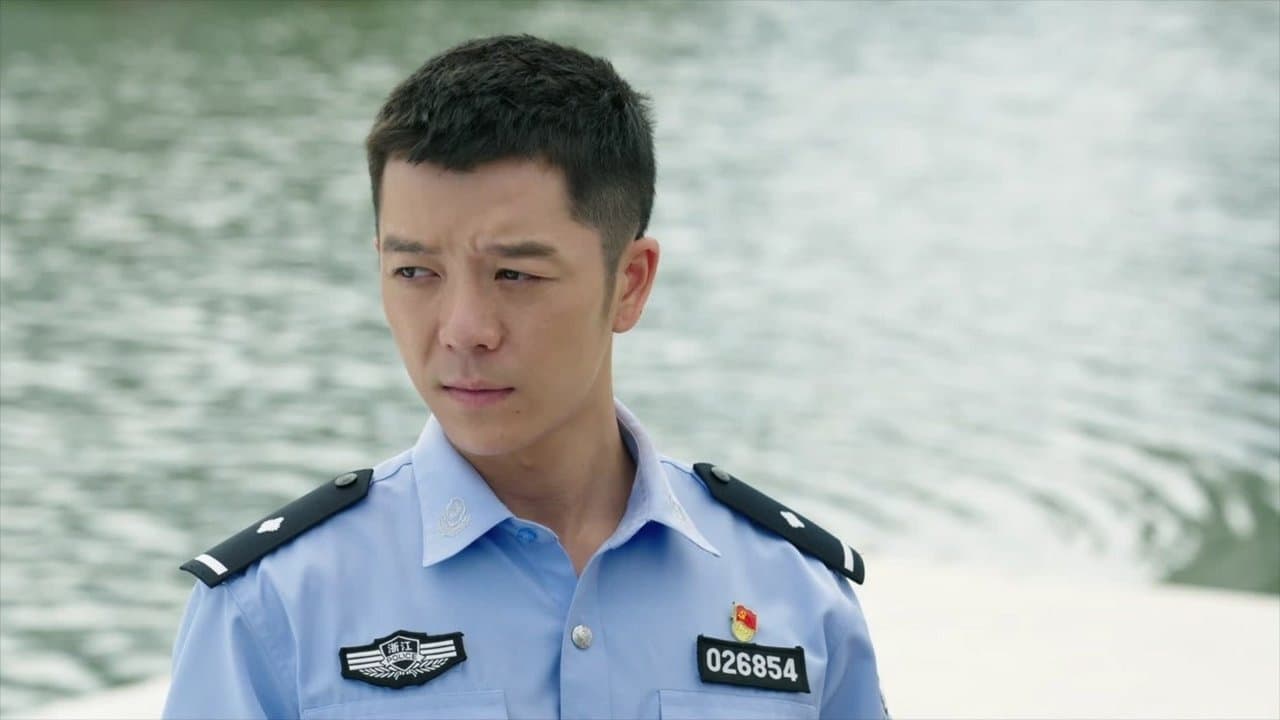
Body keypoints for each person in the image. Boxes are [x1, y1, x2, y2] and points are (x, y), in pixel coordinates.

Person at [163, 34, 886, 720]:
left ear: (630, 283)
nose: (463, 329)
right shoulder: (271, 608)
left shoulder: (798, 595)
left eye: (515, 274)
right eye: (414, 272)